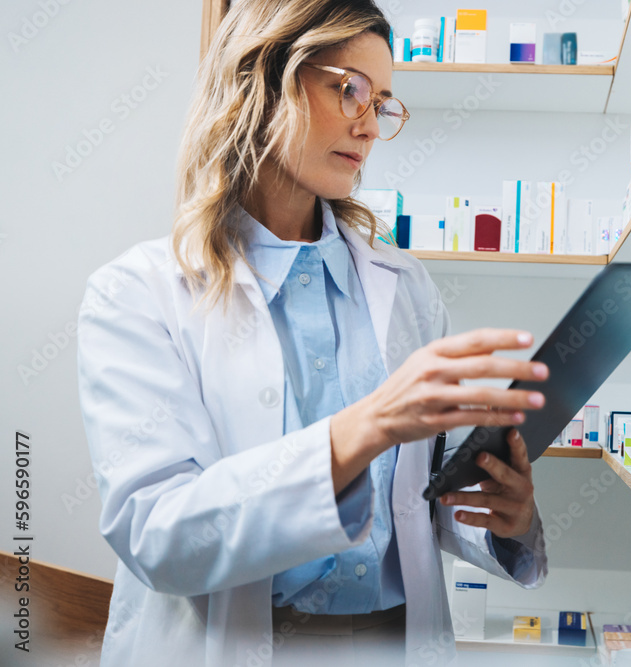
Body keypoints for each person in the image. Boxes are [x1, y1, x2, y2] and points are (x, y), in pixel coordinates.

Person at [75, 1, 549, 665]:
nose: (370, 124)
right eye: (348, 88)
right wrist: (368, 425)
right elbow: (158, 534)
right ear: (261, 79)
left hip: (393, 639)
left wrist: (504, 512)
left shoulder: (404, 286)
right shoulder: (138, 294)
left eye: (382, 101)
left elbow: (416, 504)